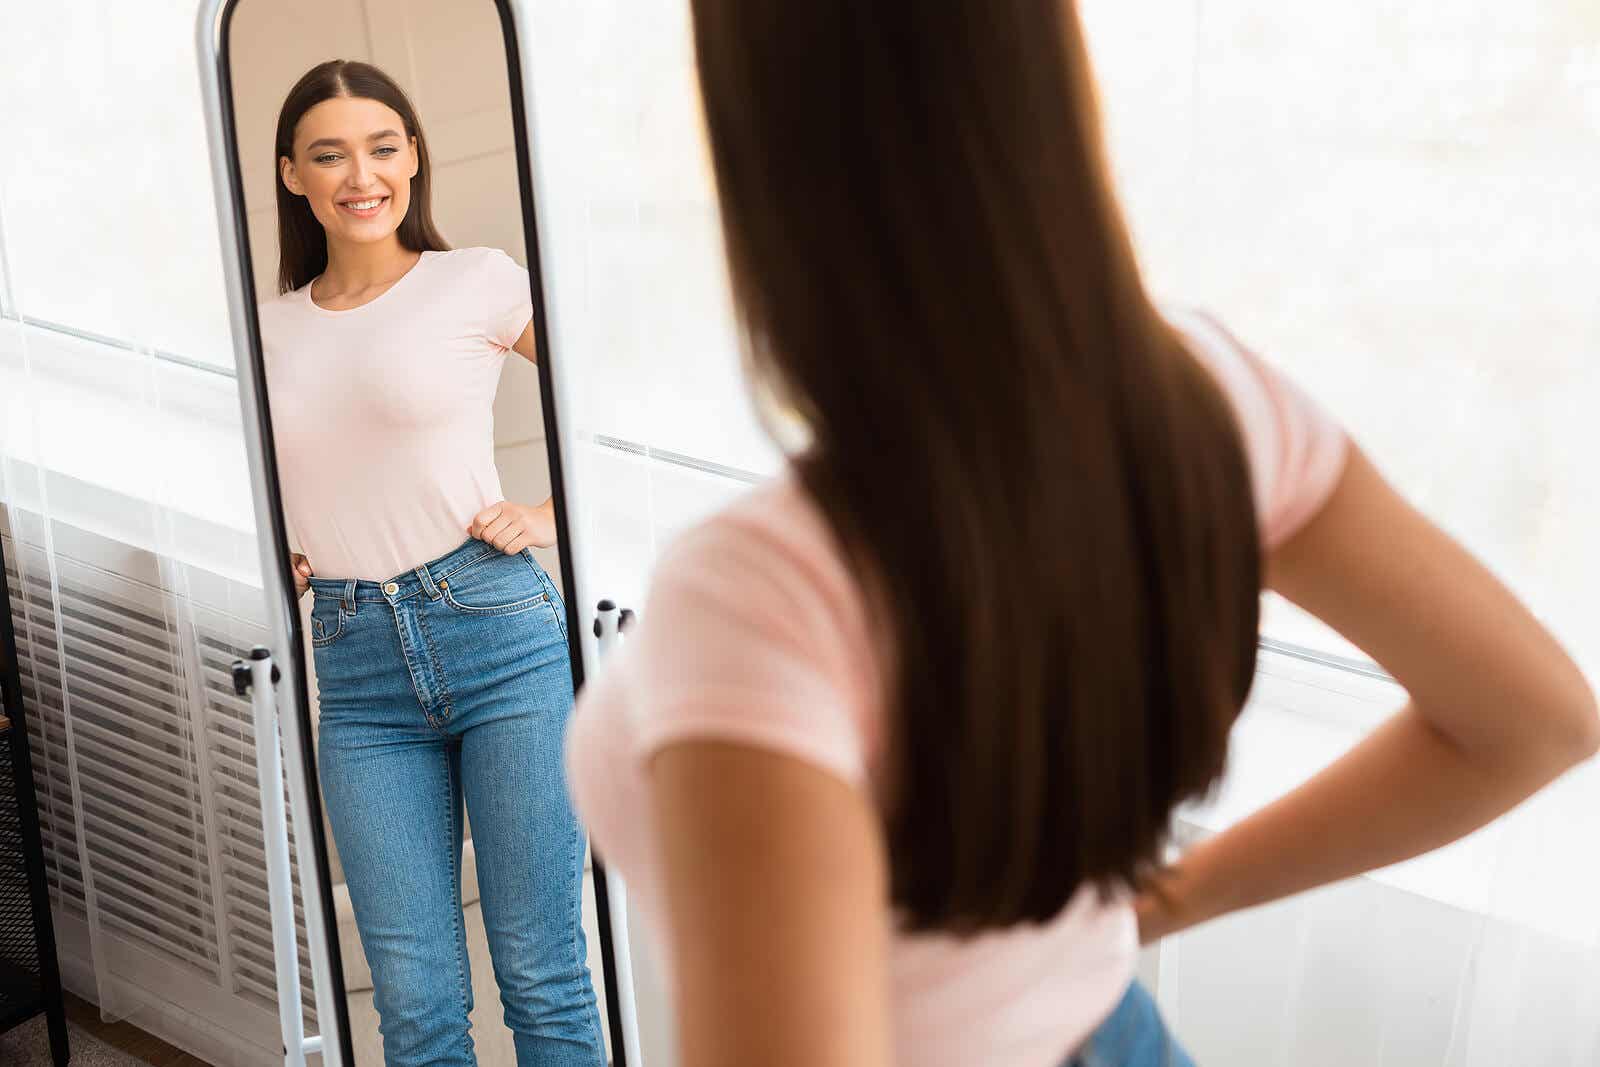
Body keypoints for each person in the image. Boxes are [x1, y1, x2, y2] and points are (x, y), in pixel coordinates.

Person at [563, 4, 1600, 1067]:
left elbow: (1540, 724)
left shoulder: (757, 591)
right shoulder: (1214, 404)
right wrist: (1153, 905)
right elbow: (1533, 719)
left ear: (762, 155)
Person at [256, 59, 604, 1067]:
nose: (360, 174)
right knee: (413, 1004)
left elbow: (613, 402)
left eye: (382, 146)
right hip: (358, 669)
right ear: (293, 175)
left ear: (412, 156)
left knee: (541, 971)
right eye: (329, 153)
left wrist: (546, 515)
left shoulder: (477, 280)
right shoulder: (266, 329)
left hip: (500, 637)